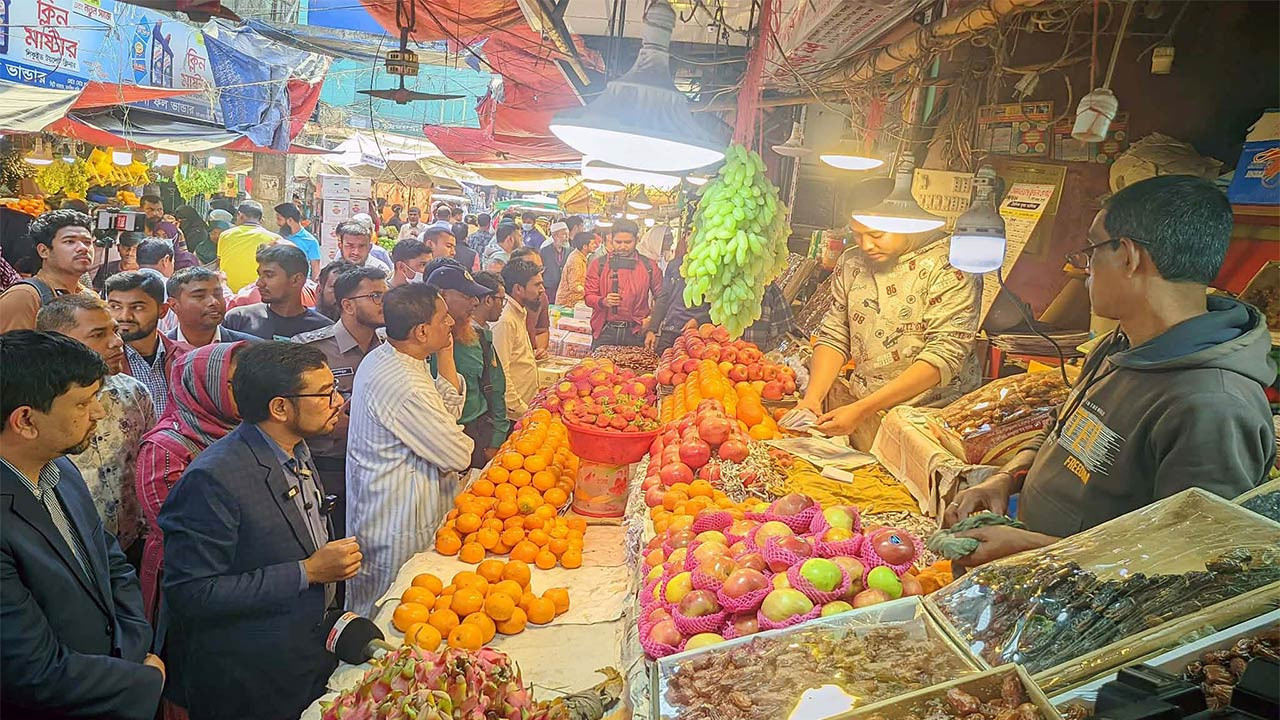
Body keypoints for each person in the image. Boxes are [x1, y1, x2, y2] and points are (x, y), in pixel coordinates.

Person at [943, 175, 1278, 565]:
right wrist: (1007, 477)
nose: (1086, 268)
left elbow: (1193, 558)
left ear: (1129, 257)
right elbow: (1063, 432)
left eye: (1093, 249)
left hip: (1093, 609)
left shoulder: (1213, 405)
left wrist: (1030, 549)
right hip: (1043, 576)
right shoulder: (1120, 345)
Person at [159, 341, 358, 720]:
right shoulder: (213, 478)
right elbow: (192, 592)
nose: (338, 402)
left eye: (336, 389)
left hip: (300, 652)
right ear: (280, 407)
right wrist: (308, 572)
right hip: (250, 675)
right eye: (325, 393)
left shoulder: (294, 449)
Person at [0, 330, 165, 720]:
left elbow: (113, 564)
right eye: (83, 401)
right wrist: (141, 680)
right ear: (25, 419)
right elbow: (33, 671)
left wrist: (132, 645)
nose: (99, 413)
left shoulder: (61, 470)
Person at [345, 283, 471, 617]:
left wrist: (444, 352)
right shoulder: (403, 382)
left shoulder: (395, 358)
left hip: (400, 511)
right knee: (388, 615)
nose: (451, 324)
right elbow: (457, 453)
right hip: (396, 521)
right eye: (444, 318)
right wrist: (458, 438)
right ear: (421, 330)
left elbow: (446, 414)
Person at [35, 295, 156, 563]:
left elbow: (148, 467)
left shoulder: (134, 393)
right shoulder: (34, 407)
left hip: (132, 544)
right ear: (58, 342)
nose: (117, 342)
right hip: (65, 551)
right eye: (99, 334)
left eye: (115, 330)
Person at [136, 341, 247, 631]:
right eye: (237, 384)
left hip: (240, 577)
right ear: (203, 387)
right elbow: (175, 528)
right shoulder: (166, 448)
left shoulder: (241, 430)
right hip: (187, 576)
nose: (249, 391)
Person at [292, 266, 388, 538]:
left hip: (377, 469)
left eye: (386, 295)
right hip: (328, 468)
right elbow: (288, 411)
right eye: (375, 296)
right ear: (347, 304)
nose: (384, 303)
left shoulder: (389, 348)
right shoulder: (310, 349)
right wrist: (328, 423)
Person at [429, 265, 509, 467]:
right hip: (433, 440)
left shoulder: (478, 337)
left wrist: (497, 439)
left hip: (476, 434)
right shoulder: (419, 342)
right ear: (441, 296)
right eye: (467, 295)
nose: (475, 302)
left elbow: (496, 387)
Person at [107, 271, 192, 417]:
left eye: (137, 307)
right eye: (115, 306)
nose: (124, 316)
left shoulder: (188, 357)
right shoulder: (103, 361)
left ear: (162, 310)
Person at [0, 209, 94, 332]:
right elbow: (13, 349)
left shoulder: (89, 296)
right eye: (69, 241)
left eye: (87, 242)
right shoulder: (25, 297)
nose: (83, 248)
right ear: (44, 251)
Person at [223, 244, 331, 341]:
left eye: (269, 275)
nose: (259, 283)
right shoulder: (238, 319)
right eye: (259, 275)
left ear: (296, 279)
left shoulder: (323, 330)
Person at [583, 219, 661, 348]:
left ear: (637, 240)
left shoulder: (649, 266)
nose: (623, 246)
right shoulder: (599, 264)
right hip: (604, 330)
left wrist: (652, 322)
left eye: (628, 242)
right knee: (600, 367)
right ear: (610, 239)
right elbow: (588, 296)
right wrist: (603, 301)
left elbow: (661, 297)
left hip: (636, 331)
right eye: (618, 242)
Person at [492, 259, 543, 420]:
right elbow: (501, 373)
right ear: (518, 289)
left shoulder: (519, 312)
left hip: (525, 407)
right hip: (513, 415)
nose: (542, 289)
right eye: (537, 285)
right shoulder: (505, 320)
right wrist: (520, 409)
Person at [166, 267, 259, 347]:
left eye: (218, 294)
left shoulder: (249, 349)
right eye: (199, 296)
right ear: (174, 305)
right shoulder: (160, 349)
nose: (213, 302)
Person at [216, 201, 282, 292]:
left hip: (229, 291)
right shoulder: (275, 239)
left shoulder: (225, 235)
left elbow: (219, 261)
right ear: (261, 219)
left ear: (240, 215)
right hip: (257, 292)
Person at [510, 247, 551, 355]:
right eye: (530, 267)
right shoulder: (504, 308)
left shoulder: (541, 297)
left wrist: (539, 350)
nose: (536, 272)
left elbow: (542, 329)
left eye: (539, 268)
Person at [275, 202, 322, 279]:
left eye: (279, 219)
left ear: (290, 220)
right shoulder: (278, 237)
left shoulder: (310, 241)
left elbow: (315, 270)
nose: (277, 223)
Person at [556, 231, 597, 307]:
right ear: (585, 246)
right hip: (567, 304)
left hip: (576, 302)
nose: (595, 245)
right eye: (592, 243)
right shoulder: (576, 260)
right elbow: (575, 286)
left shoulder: (581, 256)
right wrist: (590, 292)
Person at [540, 220, 571, 299]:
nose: (567, 237)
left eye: (568, 234)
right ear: (554, 236)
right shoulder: (544, 251)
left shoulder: (570, 251)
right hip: (548, 290)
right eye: (564, 234)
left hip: (564, 290)